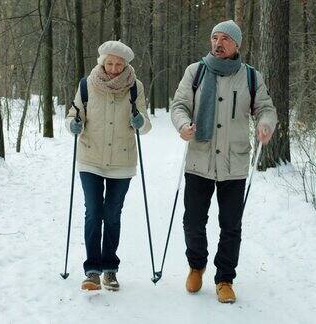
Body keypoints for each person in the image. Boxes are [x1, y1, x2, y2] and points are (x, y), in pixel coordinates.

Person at [170, 20, 277, 303]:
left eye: (225, 39)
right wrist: (182, 125)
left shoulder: (251, 77)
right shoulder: (196, 72)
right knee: (193, 221)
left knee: (231, 225)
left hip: (235, 163)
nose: (218, 43)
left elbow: (265, 108)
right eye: (214, 37)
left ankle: (225, 278)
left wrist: (266, 124)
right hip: (199, 159)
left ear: (236, 45)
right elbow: (179, 104)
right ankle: (196, 265)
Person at [66, 40, 151, 291]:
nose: (114, 68)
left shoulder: (135, 87)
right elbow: (73, 114)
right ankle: (92, 270)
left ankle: (110, 269)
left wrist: (140, 122)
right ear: (102, 62)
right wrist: (73, 124)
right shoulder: (86, 85)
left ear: (126, 64)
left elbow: (146, 123)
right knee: (93, 211)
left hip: (122, 160)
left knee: (112, 215)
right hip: (90, 157)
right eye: (110, 63)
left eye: (119, 64)